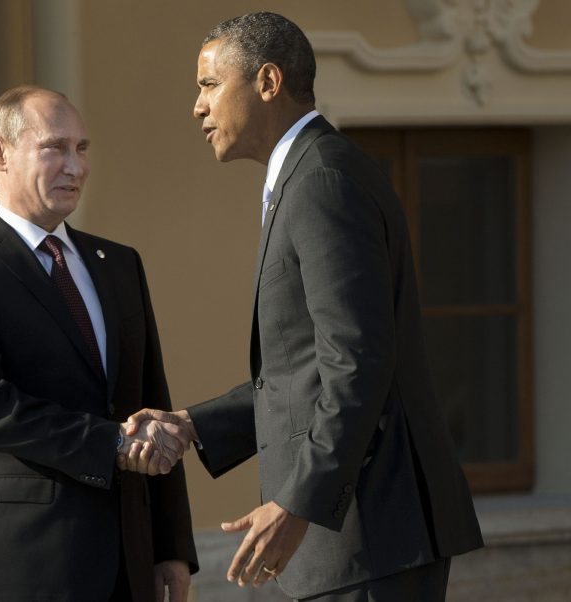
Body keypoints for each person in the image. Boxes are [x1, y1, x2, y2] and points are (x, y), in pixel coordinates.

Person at [121, 12, 483, 602]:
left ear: (267, 82)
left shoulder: (322, 181)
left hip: (369, 544)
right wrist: (193, 425)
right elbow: (302, 369)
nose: (197, 106)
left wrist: (297, 502)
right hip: (354, 549)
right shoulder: (308, 174)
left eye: (209, 85)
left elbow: (358, 361)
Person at [0, 85, 197, 602]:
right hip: (24, 564)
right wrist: (109, 443)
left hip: (128, 567)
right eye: (55, 148)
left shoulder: (120, 265)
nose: (76, 166)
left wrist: (171, 548)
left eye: (82, 149)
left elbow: (149, 400)